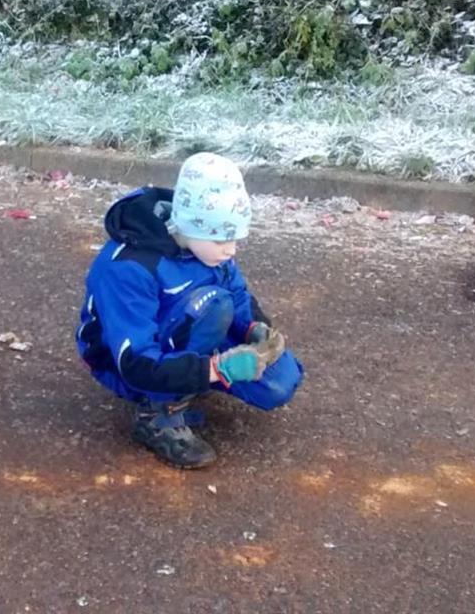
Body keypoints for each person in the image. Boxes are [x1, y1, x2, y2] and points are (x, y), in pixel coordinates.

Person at [75, 153, 304, 469]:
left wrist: (255, 329)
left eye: (235, 237)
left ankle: (189, 371)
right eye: (223, 238)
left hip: (188, 325)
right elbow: (133, 361)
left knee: (279, 382)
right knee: (210, 306)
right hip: (124, 361)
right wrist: (218, 370)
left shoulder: (207, 248)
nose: (232, 249)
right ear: (190, 226)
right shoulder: (129, 267)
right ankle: (158, 415)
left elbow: (237, 294)